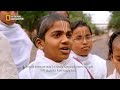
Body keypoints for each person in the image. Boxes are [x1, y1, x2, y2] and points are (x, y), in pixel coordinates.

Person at [19, 14, 91, 79]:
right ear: (40, 43)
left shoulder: (80, 70)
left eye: (69, 35)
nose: (66, 40)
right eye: (57, 35)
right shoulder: (28, 75)